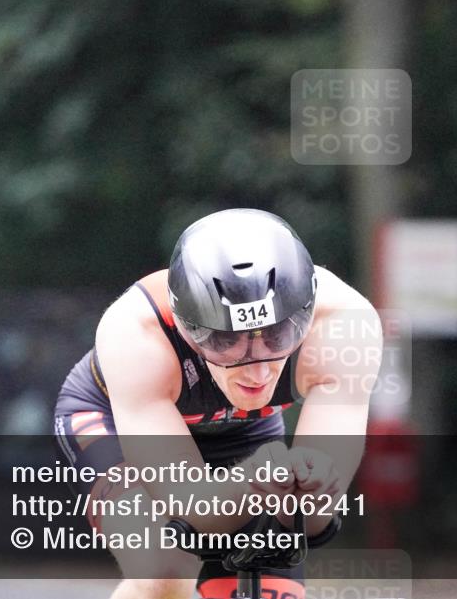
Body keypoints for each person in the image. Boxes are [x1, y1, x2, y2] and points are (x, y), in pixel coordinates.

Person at [54, 208, 382, 599]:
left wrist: (308, 485)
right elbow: (191, 511)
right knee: (165, 568)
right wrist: (256, 477)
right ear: (185, 327)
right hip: (110, 418)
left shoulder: (345, 325)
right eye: (225, 342)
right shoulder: (136, 332)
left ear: (306, 315)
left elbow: (313, 521)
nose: (256, 371)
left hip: (244, 430)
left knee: (271, 583)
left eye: (278, 336)